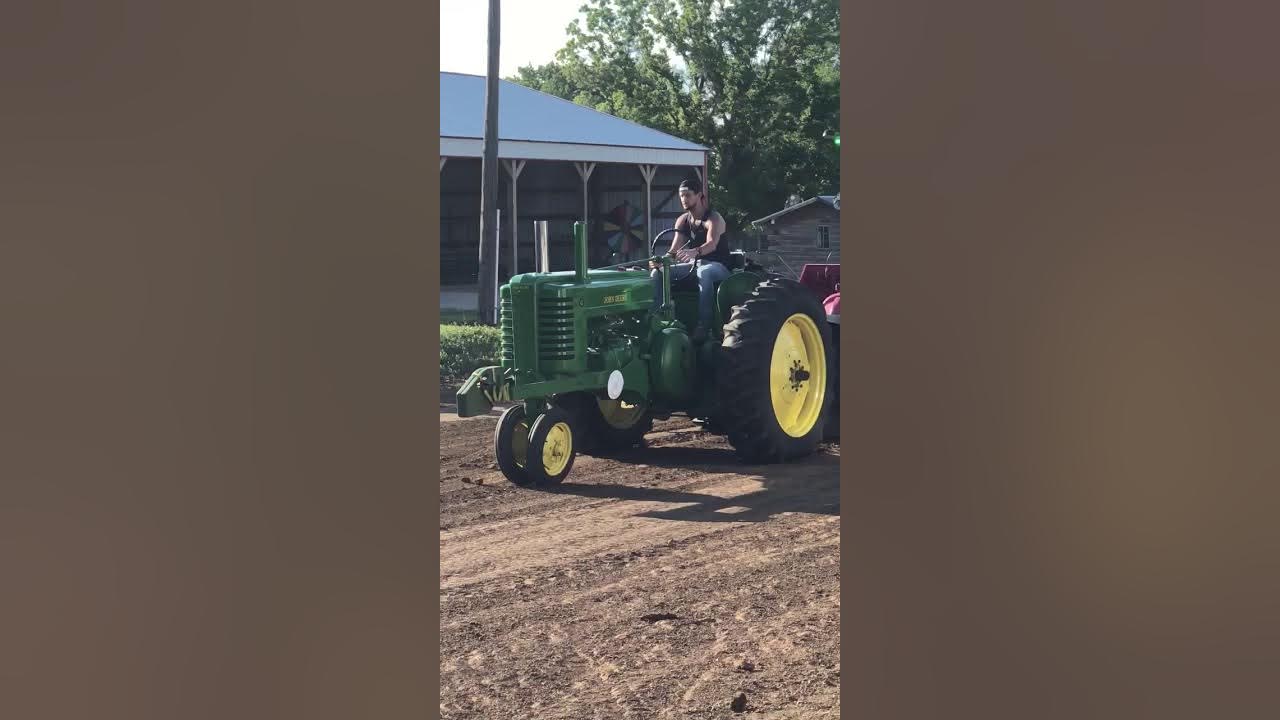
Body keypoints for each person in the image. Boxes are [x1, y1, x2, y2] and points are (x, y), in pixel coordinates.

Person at [650, 178, 731, 341]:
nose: (683, 200)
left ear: (699, 196)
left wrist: (696, 251)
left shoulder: (713, 218)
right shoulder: (682, 220)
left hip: (718, 267)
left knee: (704, 272)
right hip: (692, 265)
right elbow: (673, 251)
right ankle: (657, 320)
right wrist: (661, 261)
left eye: (687, 195)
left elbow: (712, 244)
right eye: (681, 196)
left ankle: (703, 326)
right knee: (658, 273)